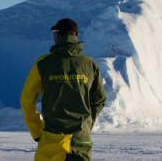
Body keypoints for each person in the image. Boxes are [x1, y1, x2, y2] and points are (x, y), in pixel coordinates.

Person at [21, 18, 106, 161]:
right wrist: (85, 126)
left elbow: (27, 99)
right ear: (76, 36)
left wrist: (37, 132)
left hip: (52, 139)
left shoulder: (43, 64)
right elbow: (100, 99)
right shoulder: (90, 65)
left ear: (57, 35)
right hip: (80, 140)